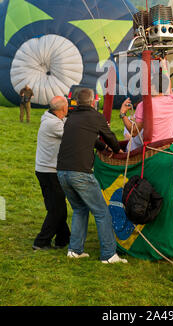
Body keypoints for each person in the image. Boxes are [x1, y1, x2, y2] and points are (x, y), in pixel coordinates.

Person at [56, 88, 127, 263]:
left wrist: (101, 147)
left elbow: (85, 137)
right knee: (102, 212)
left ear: (76, 102)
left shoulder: (71, 118)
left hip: (62, 172)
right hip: (80, 173)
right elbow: (110, 137)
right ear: (94, 102)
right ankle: (109, 254)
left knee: (80, 210)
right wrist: (118, 150)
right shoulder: (96, 117)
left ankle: (75, 250)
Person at [33, 96, 71, 250]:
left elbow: (66, 123)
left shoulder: (51, 118)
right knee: (57, 208)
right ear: (63, 109)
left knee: (55, 206)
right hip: (49, 171)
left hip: (45, 169)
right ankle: (41, 242)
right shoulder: (53, 124)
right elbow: (72, 135)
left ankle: (63, 239)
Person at [120, 59, 173, 145]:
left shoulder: (144, 105)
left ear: (154, 87)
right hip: (170, 149)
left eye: (150, 84)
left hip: (152, 152)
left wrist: (123, 113)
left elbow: (134, 132)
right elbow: (168, 85)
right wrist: (163, 65)